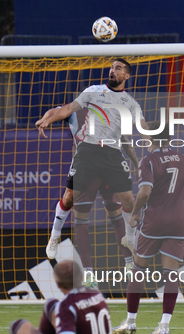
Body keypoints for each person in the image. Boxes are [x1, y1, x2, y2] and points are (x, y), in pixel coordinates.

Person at [37, 58, 148, 267]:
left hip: (111, 156)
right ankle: (56, 236)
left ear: (127, 75)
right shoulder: (91, 93)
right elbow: (63, 109)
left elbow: (133, 131)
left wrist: (140, 155)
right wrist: (46, 119)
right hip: (87, 153)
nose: (112, 71)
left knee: (126, 204)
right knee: (70, 202)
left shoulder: (128, 103)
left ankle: (130, 247)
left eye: (118, 68)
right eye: (111, 67)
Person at [113, 126, 184, 334]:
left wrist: (134, 213)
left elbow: (144, 193)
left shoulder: (148, 160)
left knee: (138, 268)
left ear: (150, 137)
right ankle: (164, 325)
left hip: (154, 222)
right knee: (171, 273)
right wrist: (176, 198)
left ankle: (131, 322)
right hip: (178, 222)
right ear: (170, 138)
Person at [44, 109, 137, 287]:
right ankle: (84, 269)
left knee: (117, 210)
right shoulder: (76, 110)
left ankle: (129, 262)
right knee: (76, 210)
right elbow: (54, 111)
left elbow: (123, 140)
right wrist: (44, 120)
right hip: (86, 165)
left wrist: (135, 161)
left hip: (109, 164)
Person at [5, 260, 119, 334]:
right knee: (51, 304)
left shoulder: (66, 306)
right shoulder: (95, 294)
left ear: (58, 284)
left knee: (17, 326)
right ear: (81, 277)